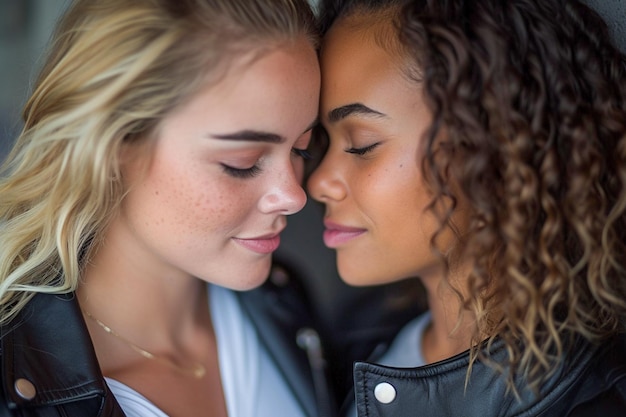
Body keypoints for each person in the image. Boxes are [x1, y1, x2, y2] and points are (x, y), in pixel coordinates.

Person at [0, 0, 322, 416]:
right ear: (115, 144)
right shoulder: (15, 385)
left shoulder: (284, 304)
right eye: (241, 162)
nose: (295, 195)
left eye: (302, 149)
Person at [308, 0, 626, 415]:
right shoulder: (349, 341)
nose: (316, 183)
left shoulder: (597, 401)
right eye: (319, 144)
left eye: (361, 144)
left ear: (497, 150)